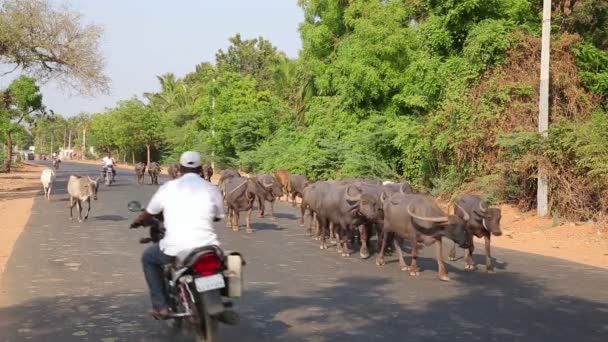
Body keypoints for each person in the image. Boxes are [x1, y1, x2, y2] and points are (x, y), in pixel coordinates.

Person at [130, 151, 225, 319]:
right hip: (208, 246)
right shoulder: (212, 188)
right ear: (201, 168)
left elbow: (149, 213)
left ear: (179, 168)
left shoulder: (169, 187)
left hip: (176, 247)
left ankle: (161, 306)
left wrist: (139, 221)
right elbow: (219, 215)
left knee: (149, 258)